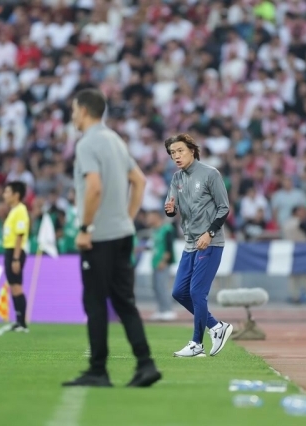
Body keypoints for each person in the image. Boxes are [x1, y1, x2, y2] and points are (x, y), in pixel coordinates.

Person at [63, 88, 161, 388]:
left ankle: (98, 370)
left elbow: (93, 188)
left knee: (94, 302)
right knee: (124, 302)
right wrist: (126, 218)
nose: (71, 115)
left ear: (84, 110)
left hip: (100, 237)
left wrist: (85, 229)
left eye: (74, 109)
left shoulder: (87, 143)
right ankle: (145, 364)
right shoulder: (115, 140)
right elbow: (139, 181)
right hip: (122, 233)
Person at [164, 133, 234, 358]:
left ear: (192, 150)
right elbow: (171, 207)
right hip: (190, 242)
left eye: (180, 151)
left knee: (196, 292)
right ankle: (216, 327)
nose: (176, 156)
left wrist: (210, 232)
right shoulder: (176, 179)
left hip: (210, 242)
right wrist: (170, 209)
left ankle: (197, 344)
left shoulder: (210, 174)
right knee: (179, 292)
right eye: (173, 153)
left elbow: (224, 208)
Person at [2, 181, 31, 332]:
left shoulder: (20, 210)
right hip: (10, 250)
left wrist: (15, 258)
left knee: (17, 287)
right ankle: (18, 320)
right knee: (13, 287)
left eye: (7, 192)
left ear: (16, 195)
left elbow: (20, 235)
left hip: (15, 251)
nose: (4, 195)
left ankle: (22, 323)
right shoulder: (14, 210)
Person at [146, 209, 177, 321]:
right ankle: (161, 310)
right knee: (156, 287)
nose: (148, 219)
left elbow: (169, 248)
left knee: (162, 286)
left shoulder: (167, 229)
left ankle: (168, 310)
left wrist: (164, 261)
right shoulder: (154, 230)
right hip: (155, 262)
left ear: (157, 217)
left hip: (163, 263)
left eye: (150, 216)